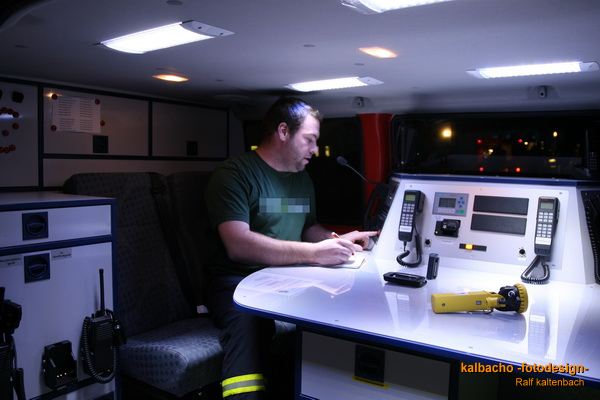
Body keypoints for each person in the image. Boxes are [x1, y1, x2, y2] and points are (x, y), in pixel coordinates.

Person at [204, 97, 377, 399]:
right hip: (237, 281)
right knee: (250, 323)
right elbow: (238, 244)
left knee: (335, 308)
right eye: (309, 140)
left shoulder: (302, 180)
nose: (315, 150)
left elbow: (308, 227)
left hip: (285, 276)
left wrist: (337, 240)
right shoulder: (234, 175)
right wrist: (314, 254)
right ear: (283, 131)